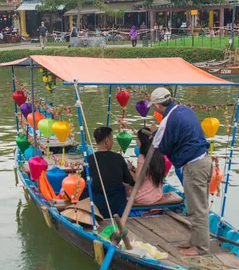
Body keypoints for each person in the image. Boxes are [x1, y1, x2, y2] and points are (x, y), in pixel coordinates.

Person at [149, 87, 212, 256]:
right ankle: (195, 241)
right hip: (203, 161)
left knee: (197, 208)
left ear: (158, 106)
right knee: (197, 206)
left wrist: (155, 133)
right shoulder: (184, 110)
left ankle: (201, 248)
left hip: (195, 166)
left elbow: (162, 147)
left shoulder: (169, 119)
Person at [83, 126, 135, 218]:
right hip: (117, 204)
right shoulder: (118, 158)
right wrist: (130, 171)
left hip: (98, 203)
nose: (113, 142)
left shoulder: (88, 160)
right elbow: (130, 181)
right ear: (107, 141)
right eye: (112, 139)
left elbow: (84, 181)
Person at [126, 128, 170, 206]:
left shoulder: (142, 157)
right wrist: (135, 170)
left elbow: (137, 180)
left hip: (144, 197)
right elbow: (148, 174)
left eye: (138, 139)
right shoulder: (159, 154)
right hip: (157, 195)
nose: (136, 141)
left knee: (123, 187)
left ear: (143, 141)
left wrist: (129, 171)